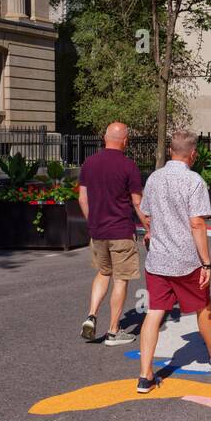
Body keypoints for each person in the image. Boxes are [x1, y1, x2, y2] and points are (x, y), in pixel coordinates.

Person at [136, 131, 211, 393]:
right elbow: (197, 223)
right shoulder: (193, 181)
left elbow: (146, 214)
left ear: (171, 151)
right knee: (203, 306)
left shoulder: (154, 178)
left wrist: (152, 232)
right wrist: (206, 262)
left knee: (154, 312)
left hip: (158, 260)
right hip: (186, 260)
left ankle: (145, 374)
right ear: (192, 154)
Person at [77, 122, 147, 346]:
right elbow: (137, 202)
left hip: (98, 231)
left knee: (103, 272)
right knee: (121, 278)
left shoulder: (89, 163)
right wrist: (149, 227)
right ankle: (114, 331)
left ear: (104, 137)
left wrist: (93, 222)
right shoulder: (129, 166)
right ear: (125, 141)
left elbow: (82, 198)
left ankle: (91, 314)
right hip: (121, 231)